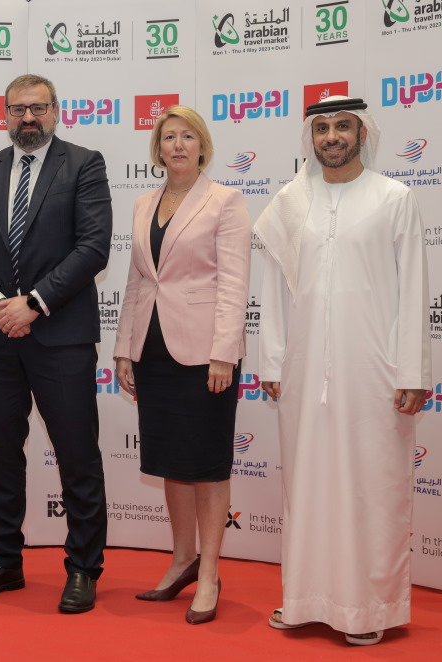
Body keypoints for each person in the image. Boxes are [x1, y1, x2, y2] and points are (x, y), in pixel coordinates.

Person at [255, 96, 430, 646]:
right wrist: (273, 359)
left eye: (343, 127)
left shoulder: (394, 198)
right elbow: (274, 289)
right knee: (306, 486)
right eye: (323, 128)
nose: (332, 136)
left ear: (362, 134)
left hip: (375, 371)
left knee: (371, 488)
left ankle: (369, 610)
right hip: (305, 371)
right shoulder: (291, 203)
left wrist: (412, 371)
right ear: (311, 137)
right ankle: (304, 601)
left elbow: (414, 289)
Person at [0, 74, 111, 613]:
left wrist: (35, 303)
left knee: (77, 455)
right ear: (4, 114)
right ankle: (4, 561)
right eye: (18, 109)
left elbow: (93, 247)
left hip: (61, 336)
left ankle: (83, 568)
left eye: (38, 108)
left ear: (55, 112)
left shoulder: (84, 164)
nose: (28, 117)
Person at [113, 105, 251, 625]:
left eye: (187, 136)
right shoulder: (144, 202)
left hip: (204, 354)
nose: (177, 145)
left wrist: (224, 352)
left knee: (207, 464)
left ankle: (210, 572)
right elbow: (137, 280)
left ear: (202, 146)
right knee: (172, 461)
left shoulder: (225, 201)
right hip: (153, 350)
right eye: (169, 136)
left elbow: (234, 283)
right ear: (158, 148)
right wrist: (124, 347)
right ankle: (182, 561)